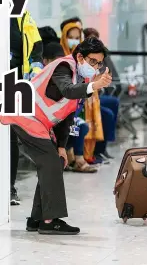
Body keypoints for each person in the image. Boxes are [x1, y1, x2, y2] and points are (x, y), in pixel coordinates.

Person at [0, 37, 112, 235]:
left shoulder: (82, 78)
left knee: (55, 161)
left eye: (99, 63)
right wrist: (94, 86)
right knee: (50, 162)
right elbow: (68, 91)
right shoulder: (64, 67)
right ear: (80, 57)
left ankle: (37, 218)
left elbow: (67, 115)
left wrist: (61, 146)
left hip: (37, 122)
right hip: (24, 115)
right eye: (92, 61)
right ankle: (50, 220)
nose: (95, 66)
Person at [43, 42, 98, 173]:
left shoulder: (70, 74)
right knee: (76, 128)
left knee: (81, 126)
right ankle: (75, 159)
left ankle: (74, 157)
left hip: (65, 119)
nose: (58, 64)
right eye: (55, 61)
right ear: (45, 61)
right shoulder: (45, 77)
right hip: (50, 121)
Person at [10, 11, 43, 205]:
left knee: (9, 138)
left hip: (13, 84)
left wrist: (33, 75)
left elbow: (36, 48)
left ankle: (8, 187)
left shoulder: (22, 16)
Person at [83, 28, 120, 161]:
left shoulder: (99, 55)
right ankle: (98, 150)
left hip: (97, 94)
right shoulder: (83, 57)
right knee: (107, 114)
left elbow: (108, 74)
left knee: (113, 102)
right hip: (86, 96)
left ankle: (104, 146)